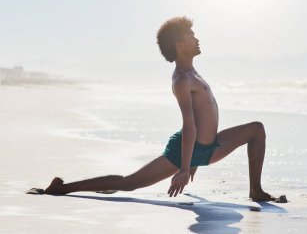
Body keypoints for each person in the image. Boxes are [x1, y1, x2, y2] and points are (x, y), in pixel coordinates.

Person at [36, 17, 275, 202]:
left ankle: (256, 190)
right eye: (191, 35)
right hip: (188, 151)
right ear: (179, 45)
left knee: (256, 130)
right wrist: (184, 167)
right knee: (129, 183)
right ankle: (62, 187)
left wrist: (195, 163)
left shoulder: (193, 73)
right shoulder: (182, 79)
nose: (197, 38)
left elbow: (204, 117)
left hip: (209, 147)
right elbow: (189, 124)